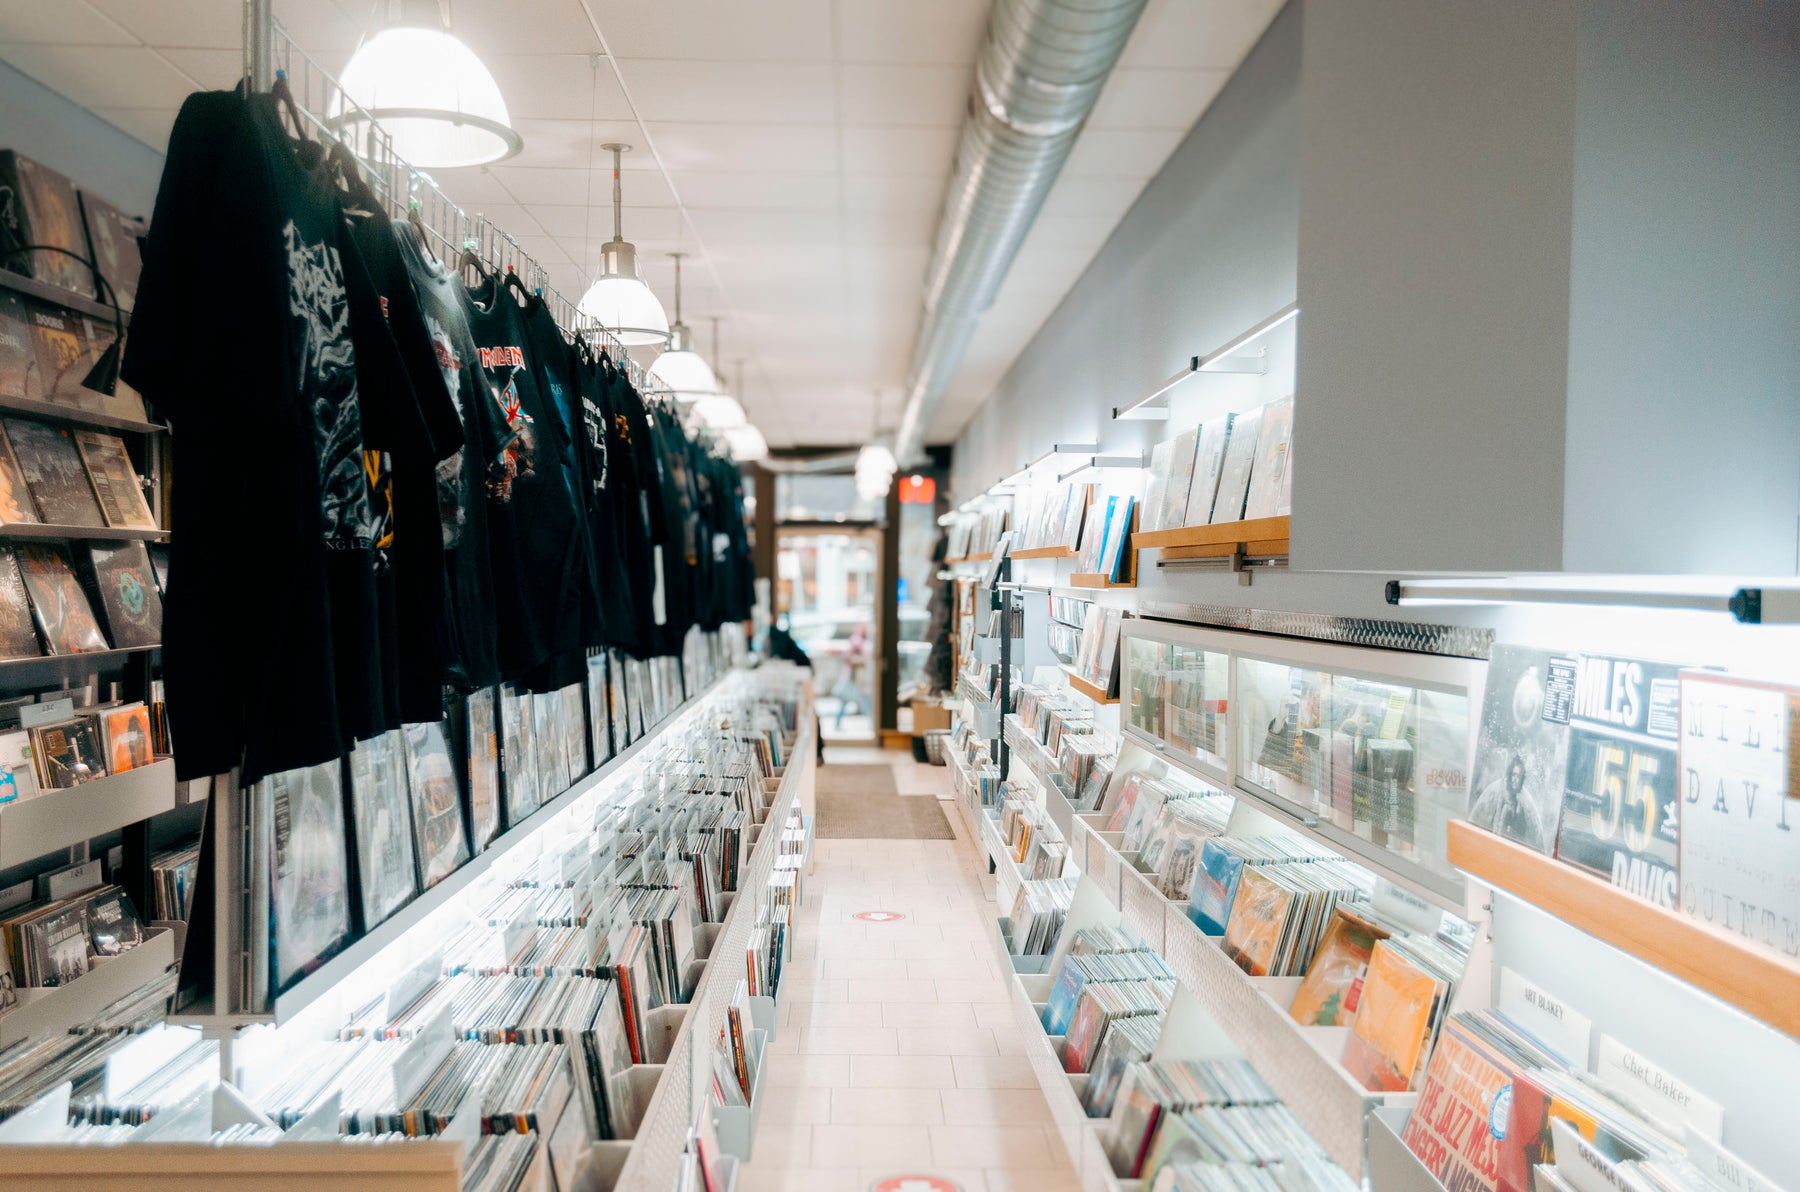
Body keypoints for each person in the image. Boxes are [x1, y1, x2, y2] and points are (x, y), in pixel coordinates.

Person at [832, 623, 870, 728]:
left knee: (863, 701)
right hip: (853, 676)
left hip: (855, 676)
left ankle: (872, 722)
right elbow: (849, 656)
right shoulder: (857, 641)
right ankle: (872, 722)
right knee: (864, 700)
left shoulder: (856, 640)